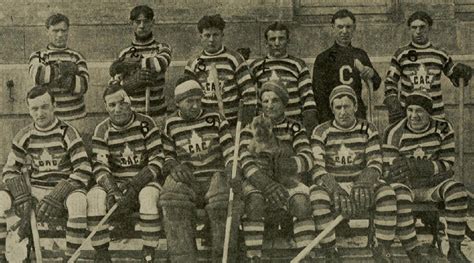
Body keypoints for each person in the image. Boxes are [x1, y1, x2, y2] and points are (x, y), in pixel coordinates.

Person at [0, 84, 91, 261]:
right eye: (34, 108)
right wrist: (20, 193)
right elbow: (10, 170)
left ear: (54, 105)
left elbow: (83, 168)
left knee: (79, 202)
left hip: (65, 188)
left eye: (44, 107)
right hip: (36, 189)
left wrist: (59, 192)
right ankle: (2, 256)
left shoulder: (68, 132)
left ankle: (71, 257)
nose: (40, 113)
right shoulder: (24, 135)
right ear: (29, 109)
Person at [309, 85, 397, 262]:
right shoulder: (321, 132)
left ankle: (382, 248)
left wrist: (364, 183)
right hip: (334, 184)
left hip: (361, 184)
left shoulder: (368, 128)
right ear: (332, 109)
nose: (343, 112)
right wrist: (334, 188)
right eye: (338, 107)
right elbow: (317, 168)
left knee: (387, 193)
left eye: (347, 106)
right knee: (317, 195)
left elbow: (375, 162)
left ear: (355, 107)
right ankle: (330, 251)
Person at [382, 90, 470, 263]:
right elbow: (391, 170)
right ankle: (413, 251)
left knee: (457, 190)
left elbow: (447, 164)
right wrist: (429, 171)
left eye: (419, 111)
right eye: (410, 110)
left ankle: (455, 248)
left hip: (432, 186)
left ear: (429, 112)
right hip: (407, 186)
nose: (414, 116)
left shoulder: (443, 128)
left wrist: (419, 167)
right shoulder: (394, 132)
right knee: (398, 194)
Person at [159, 76, 240, 262]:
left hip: (214, 176)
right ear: (178, 103)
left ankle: (223, 257)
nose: (195, 105)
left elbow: (230, 149)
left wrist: (232, 168)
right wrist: (173, 165)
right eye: (189, 101)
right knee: (172, 198)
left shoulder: (215, 118)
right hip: (188, 179)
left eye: (198, 100)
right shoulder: (171, 124)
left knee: (222, 201)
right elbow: (167, 155)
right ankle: (183, 258)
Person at [86, 83, 165, 262]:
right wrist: (112, 189)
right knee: (94, 198)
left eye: (122, 103)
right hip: (117, 184)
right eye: (112, 105)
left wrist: (136, 184)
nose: (118, 109)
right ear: (106, 107)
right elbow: (100, 165)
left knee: (148, 197)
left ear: (130, 102)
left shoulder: (146, 123)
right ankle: (102, 253)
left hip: (144, 181)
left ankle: (149, 250)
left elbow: (157, 158)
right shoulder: (102, 129)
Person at [239, 79, 315, 262]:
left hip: (287, 180)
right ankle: (254, 256)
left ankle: (305, 254)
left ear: (284, 103)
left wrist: (285, 165)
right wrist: (265, 183)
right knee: (254, 201)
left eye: (275, 100)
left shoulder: (294, 127)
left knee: (301, 203)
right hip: (259, 181)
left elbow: (308, 157)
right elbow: (244, 159)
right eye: (265, 101)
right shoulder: (252, 126)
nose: (269, 105)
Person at [384, 11, 472, 124]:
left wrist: (462, 73)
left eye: (422, 27)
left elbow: (456, 79)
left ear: (429, 28)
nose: (418, 32)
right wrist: (393, 102)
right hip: (411, 115)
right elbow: (390, 81)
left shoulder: (440, 54)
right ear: (409, 29)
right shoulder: (401, 54)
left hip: (435, 115)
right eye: (414, 27)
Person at [184, 14, 257, 128]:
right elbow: (186, 96)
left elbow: (249, 95)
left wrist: (243, 124)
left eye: (215, 35)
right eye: (207, 35)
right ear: (200, 37)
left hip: (232, 124)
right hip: (205, 126)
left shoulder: (234, 59)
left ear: (222, 35)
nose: (211, 40)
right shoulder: (193, 63)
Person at [312, 9, 381, 124]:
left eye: (348, 27)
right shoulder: (323, 58)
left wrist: (371, 74)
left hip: (356, 113)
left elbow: (376, 83)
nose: (344, 31)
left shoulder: (360, 54)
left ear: (354, 28)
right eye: (340, 27)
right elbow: (319, 94)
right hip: (332, 114)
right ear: (332, 28)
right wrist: (326, 120)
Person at [249, 22, 317, 132]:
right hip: (265, 128)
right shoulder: (257, 66)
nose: (277, 43)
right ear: (266, 43)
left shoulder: (298, 65)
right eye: (272, 39)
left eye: (281, 39)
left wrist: (308, 129)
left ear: (288, 41)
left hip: (292, 127)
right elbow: (249, 99)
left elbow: (308, 99)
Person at [109, 5, 172, 123]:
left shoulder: (162, 48)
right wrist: (129, 84)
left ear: (153, 22)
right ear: (131, 23)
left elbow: (159, 63)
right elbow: (113, 86)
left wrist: (132, 64)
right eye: (138, 22)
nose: (142, 26)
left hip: (158, 114)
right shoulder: (125, 52)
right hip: (133, 115)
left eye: (146, 21)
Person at [28, 13, 89, 132]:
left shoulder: (76, 56)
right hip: (50, 120)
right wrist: (66, 70)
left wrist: (52, 73)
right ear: (47, 31)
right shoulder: (40, 55)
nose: (60, 35)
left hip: (76, 118)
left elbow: (82, 86)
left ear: (68, 31)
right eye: (55, 31)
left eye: (63, 30)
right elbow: (39, 76)